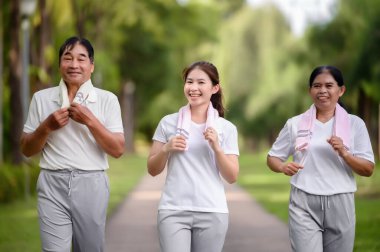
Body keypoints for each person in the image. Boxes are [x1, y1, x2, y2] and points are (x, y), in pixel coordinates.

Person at [20, 36, 125, 252]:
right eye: (67, 58)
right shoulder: (42, 98)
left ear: (91, 66)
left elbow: (118, 149)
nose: (74, 64)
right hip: (51, 182)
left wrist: (89, 120)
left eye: (81, 59)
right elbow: (26, 148)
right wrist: (46, 126)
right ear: (60, 65)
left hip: (91, 183)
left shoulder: (107, 100)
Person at [267, 65, 375, 252]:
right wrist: (283, 167)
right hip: (303, 202)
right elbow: (272, 158)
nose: (322, 90)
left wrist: (345, 153)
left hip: (340, 201)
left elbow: (368, 169)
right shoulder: (295, 124)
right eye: (317, 86)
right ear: (310, 91)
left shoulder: (355, 124)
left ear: (341, 90)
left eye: (329, 85)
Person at [147, 61, 239, 252]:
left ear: (214, 88)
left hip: (212, 211)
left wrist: (217, 148)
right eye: (189, 82)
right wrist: (166, 149)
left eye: (200, 82)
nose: (193, 88)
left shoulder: (226, 128)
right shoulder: (168, 123)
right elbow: (152, 169)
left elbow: (232, 176)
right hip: (173, 210)